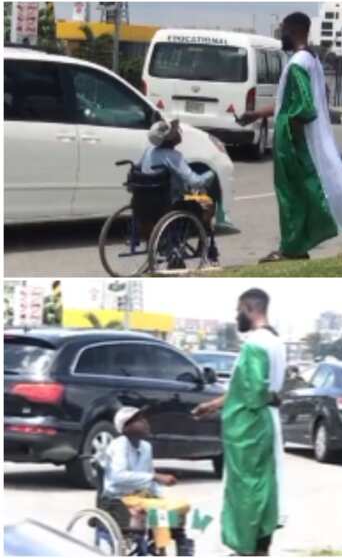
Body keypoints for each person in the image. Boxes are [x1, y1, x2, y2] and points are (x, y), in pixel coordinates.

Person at [237, 12, 342, 263]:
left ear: (295, 30)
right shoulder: (312, 61)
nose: (281, 34)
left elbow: (304, 107)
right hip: (309, 139)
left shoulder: (297, 63)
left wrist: (291, 137)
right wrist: (255, 114)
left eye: (283, 30)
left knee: (292, 195)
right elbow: (288, 103)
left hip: (295, 143)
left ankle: (292, 249)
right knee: (306, 192)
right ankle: (297, 245)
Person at [193, 289, 287, 555]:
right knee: (266, 484)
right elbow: (248, 389)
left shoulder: (255, 344)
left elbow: (252, 391)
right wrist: (212, 405)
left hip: (251, 427)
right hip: (268, 420)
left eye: (238, 310)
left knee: (247, 486)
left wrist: (231, 416)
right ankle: (260, 543)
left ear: (249, 308)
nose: (236, 316)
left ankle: (247, 545)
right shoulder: (276, 341)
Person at [100, 406, 194, 555]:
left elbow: (149, 477)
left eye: (144, 419)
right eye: (139, 420)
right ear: (126, 427)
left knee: (179, 506)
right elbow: (118, 476)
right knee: (158, 510)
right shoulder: (118, 446)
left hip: (142, 496)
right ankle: (159, 546)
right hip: (120, 498)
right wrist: (155, 477)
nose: (145, 423)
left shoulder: (146, 447)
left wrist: (160, 494)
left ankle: (170, 543)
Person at [143, 119, 221, 261]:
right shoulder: (174, 156)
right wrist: (211, 173)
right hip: (172, 201)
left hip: (148, 198)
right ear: (170, 138)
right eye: (176, 131)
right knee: (208, 202)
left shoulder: (149, 152)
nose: (179, 133)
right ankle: (204, 242)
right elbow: (195, 181)